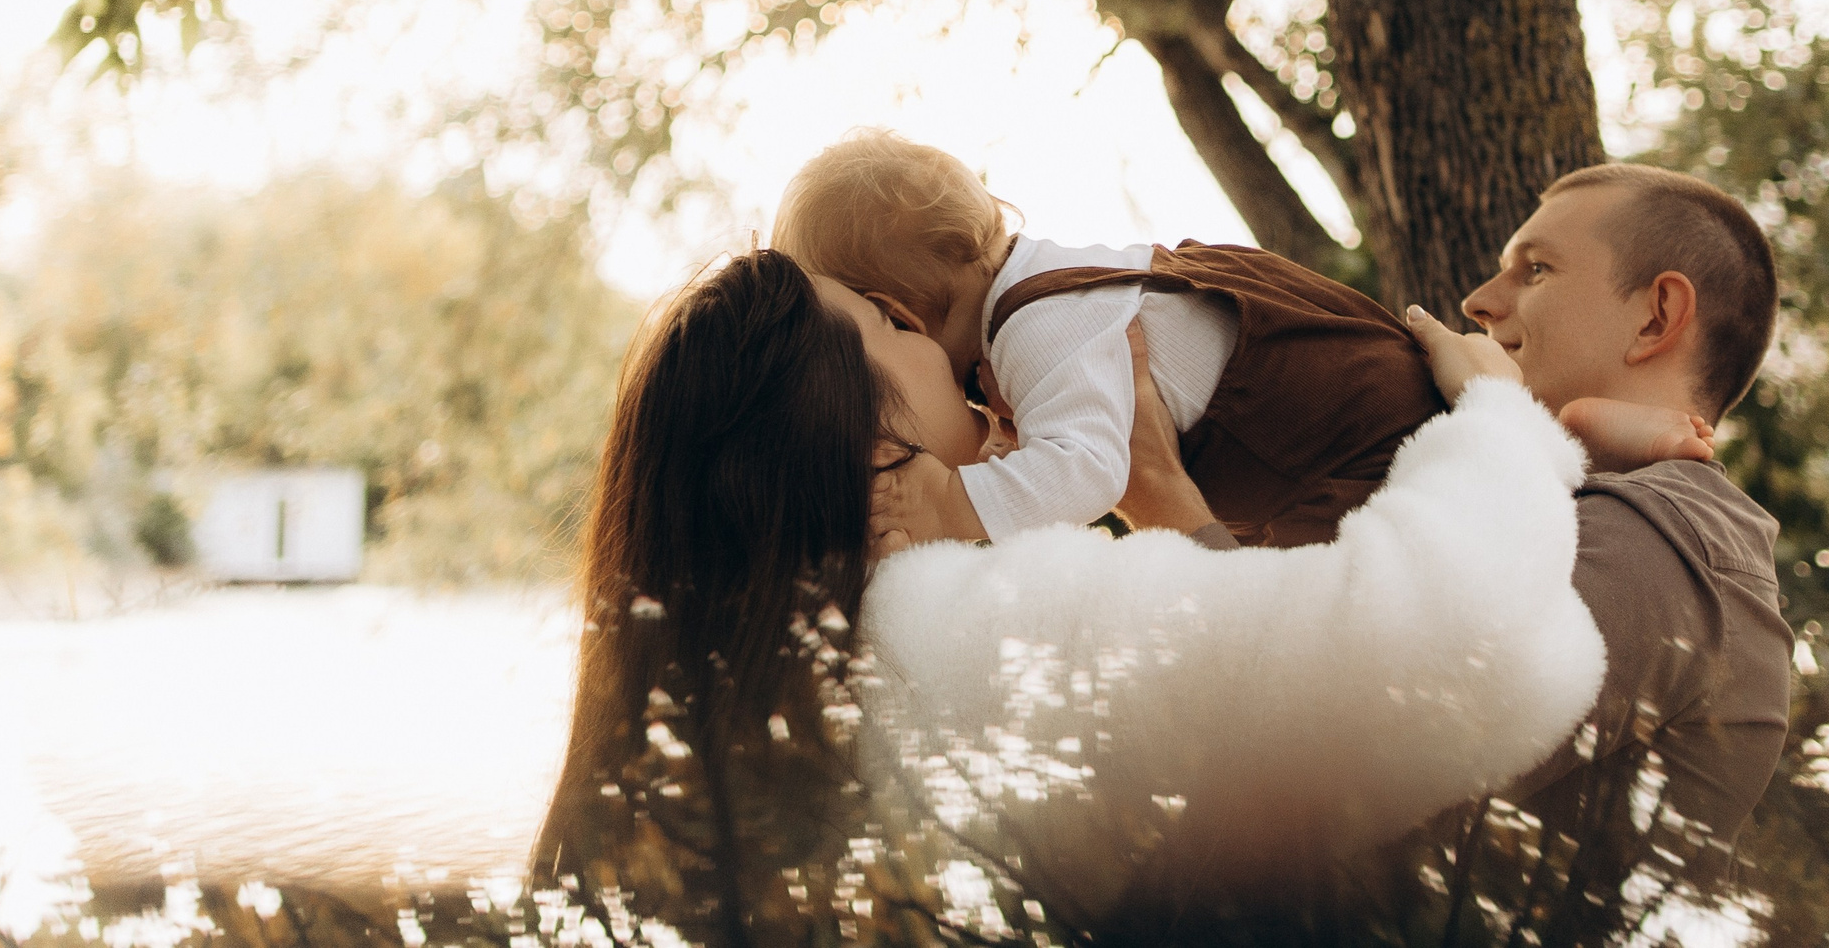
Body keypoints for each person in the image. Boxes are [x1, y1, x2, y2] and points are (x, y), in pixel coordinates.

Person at [534, 248, 1607, 937]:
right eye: (894, 328)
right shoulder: (958, 632)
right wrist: (1501, 427)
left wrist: (1171, 516)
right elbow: (1437, 646)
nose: (949, 339)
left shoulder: (758, 692)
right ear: (861, 434)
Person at [1127, 162, 1794, 921]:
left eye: (1535, 269)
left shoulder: (1677, 549)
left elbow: (1333, 740)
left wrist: (1158, 496)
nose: (1479, 301)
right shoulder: (1557, 514)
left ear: (1655, 316)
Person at [770, 129, 1712, 546]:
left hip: (1332, 443)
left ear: (899, 307)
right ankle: (1613, 436)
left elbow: (1086, 473)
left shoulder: (1035, 326)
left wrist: (950, 506)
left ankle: (1603, 443)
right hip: (1342, 385)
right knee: (1522, 468)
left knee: (1440, 534)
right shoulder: (1054, 295)